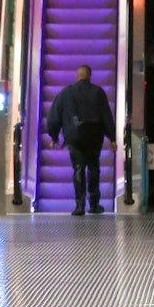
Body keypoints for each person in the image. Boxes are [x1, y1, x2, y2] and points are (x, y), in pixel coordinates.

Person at [46, 64, 118, 216]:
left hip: (74, 136)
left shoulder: (66, 92)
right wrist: (112, 138)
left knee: (78, 168)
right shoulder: (98, 92)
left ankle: (79, 206)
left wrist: (54, 136)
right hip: (94, 136)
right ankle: (94, 204)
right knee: (93, 168)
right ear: (90, 76)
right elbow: (106, 116)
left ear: (77, 76)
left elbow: (54, 116)